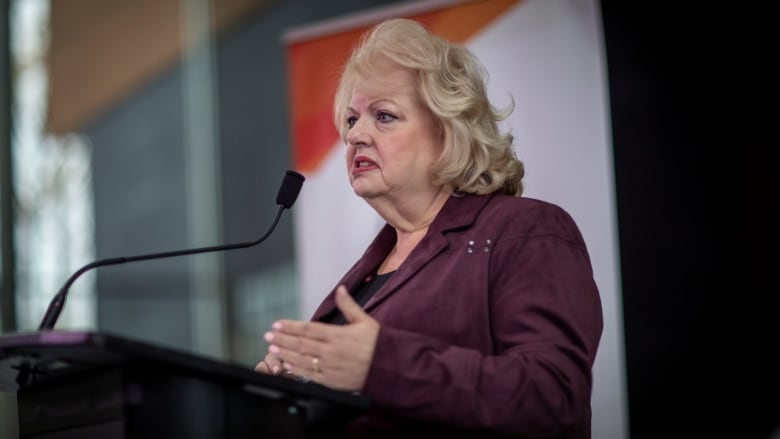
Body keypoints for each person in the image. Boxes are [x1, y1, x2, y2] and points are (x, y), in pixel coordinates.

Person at [255, 17, 603, 438]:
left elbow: (553, 397)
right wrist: (288, 397)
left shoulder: (523, 230)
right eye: (351, 120)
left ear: (447, 131)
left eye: (383, 116)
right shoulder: (366, 274)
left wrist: (380, 364)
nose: (356, 136)